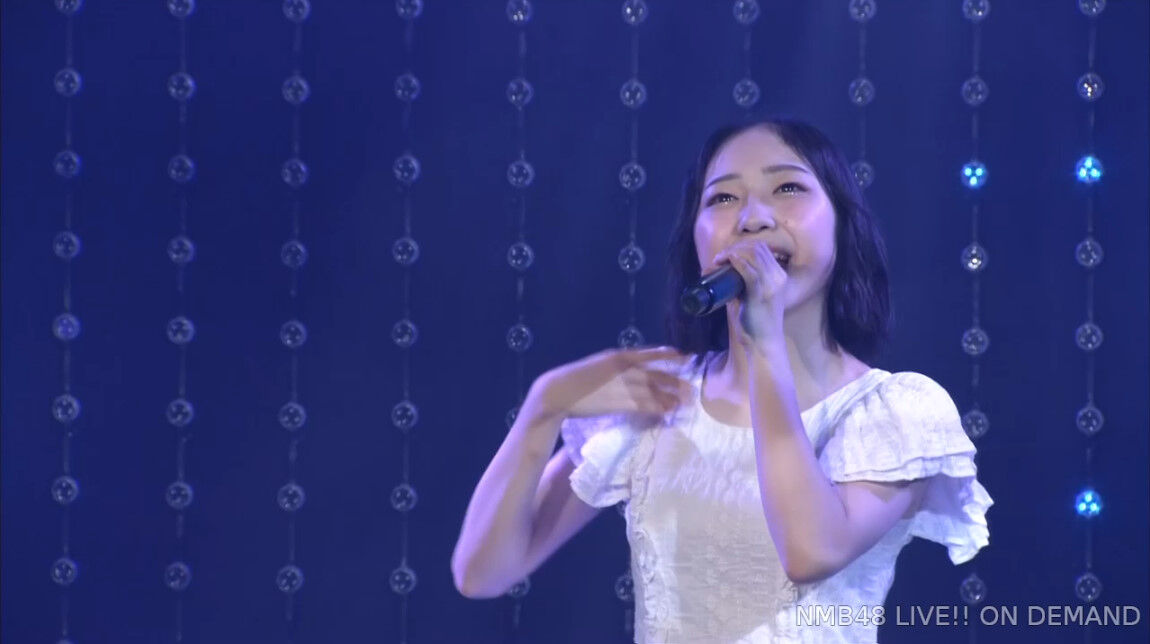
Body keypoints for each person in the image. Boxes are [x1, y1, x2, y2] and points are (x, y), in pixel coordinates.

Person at [452, 117, 993, 643]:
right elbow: (482, 573)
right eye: (723, 198)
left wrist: (765, 344)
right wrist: (542, 409)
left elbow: (810, 551)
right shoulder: (661, 395)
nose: (753, 218)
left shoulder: (894, 411)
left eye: (787, 188)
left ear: (841, 222)